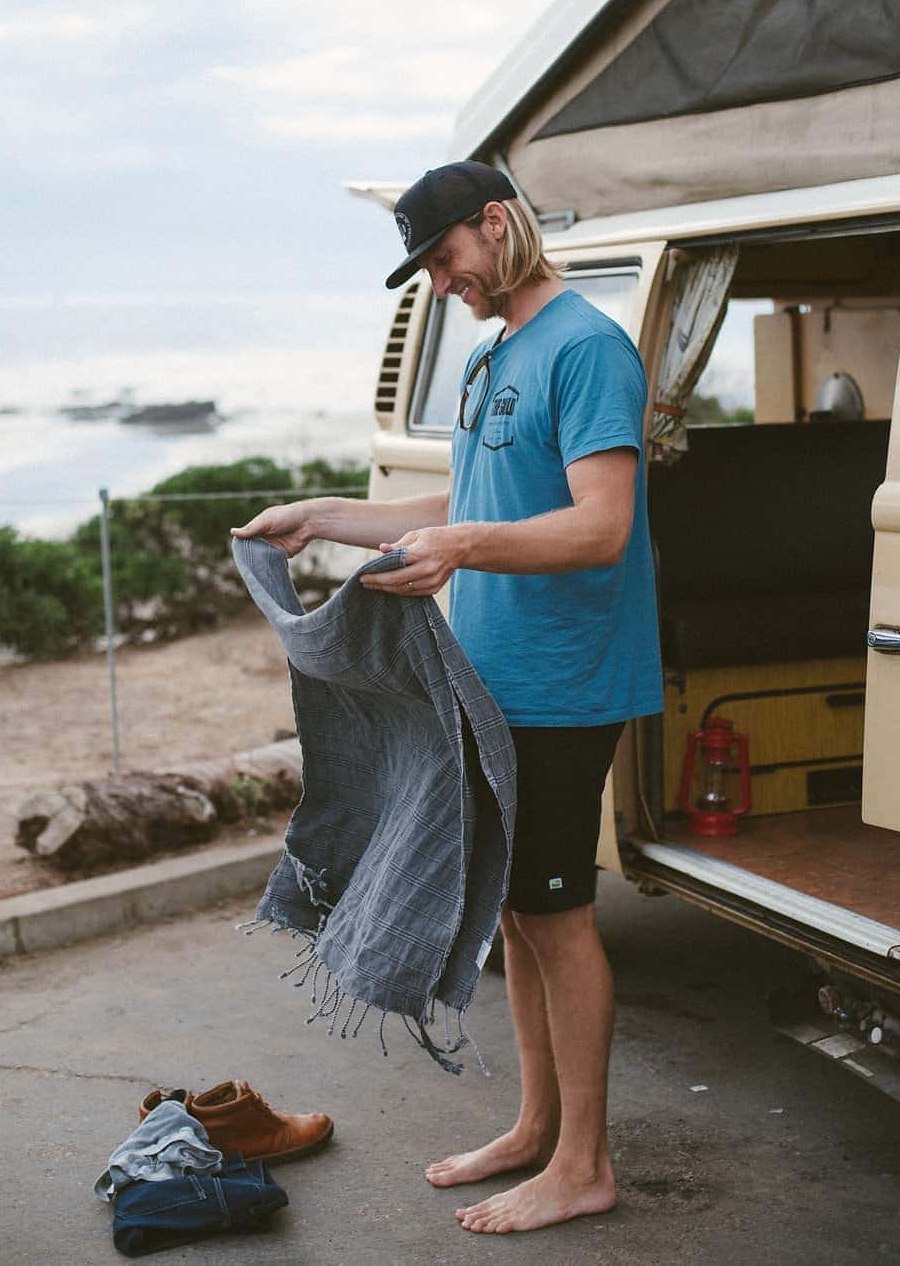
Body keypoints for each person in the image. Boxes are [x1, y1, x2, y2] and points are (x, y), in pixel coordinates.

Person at [231, 159, 663, 1234]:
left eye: (443, 256)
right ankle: (534, 1128)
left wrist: (462, 545)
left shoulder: (588, 348)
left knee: (557, 917)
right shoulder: (493, 353)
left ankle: (584, 1164)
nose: (438, 281)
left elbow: (599, 524)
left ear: (496, 222)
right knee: (514, 913)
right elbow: (471, 499)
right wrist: (328, 516)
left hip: (568, 683)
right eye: (424, 265)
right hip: (493, 680)